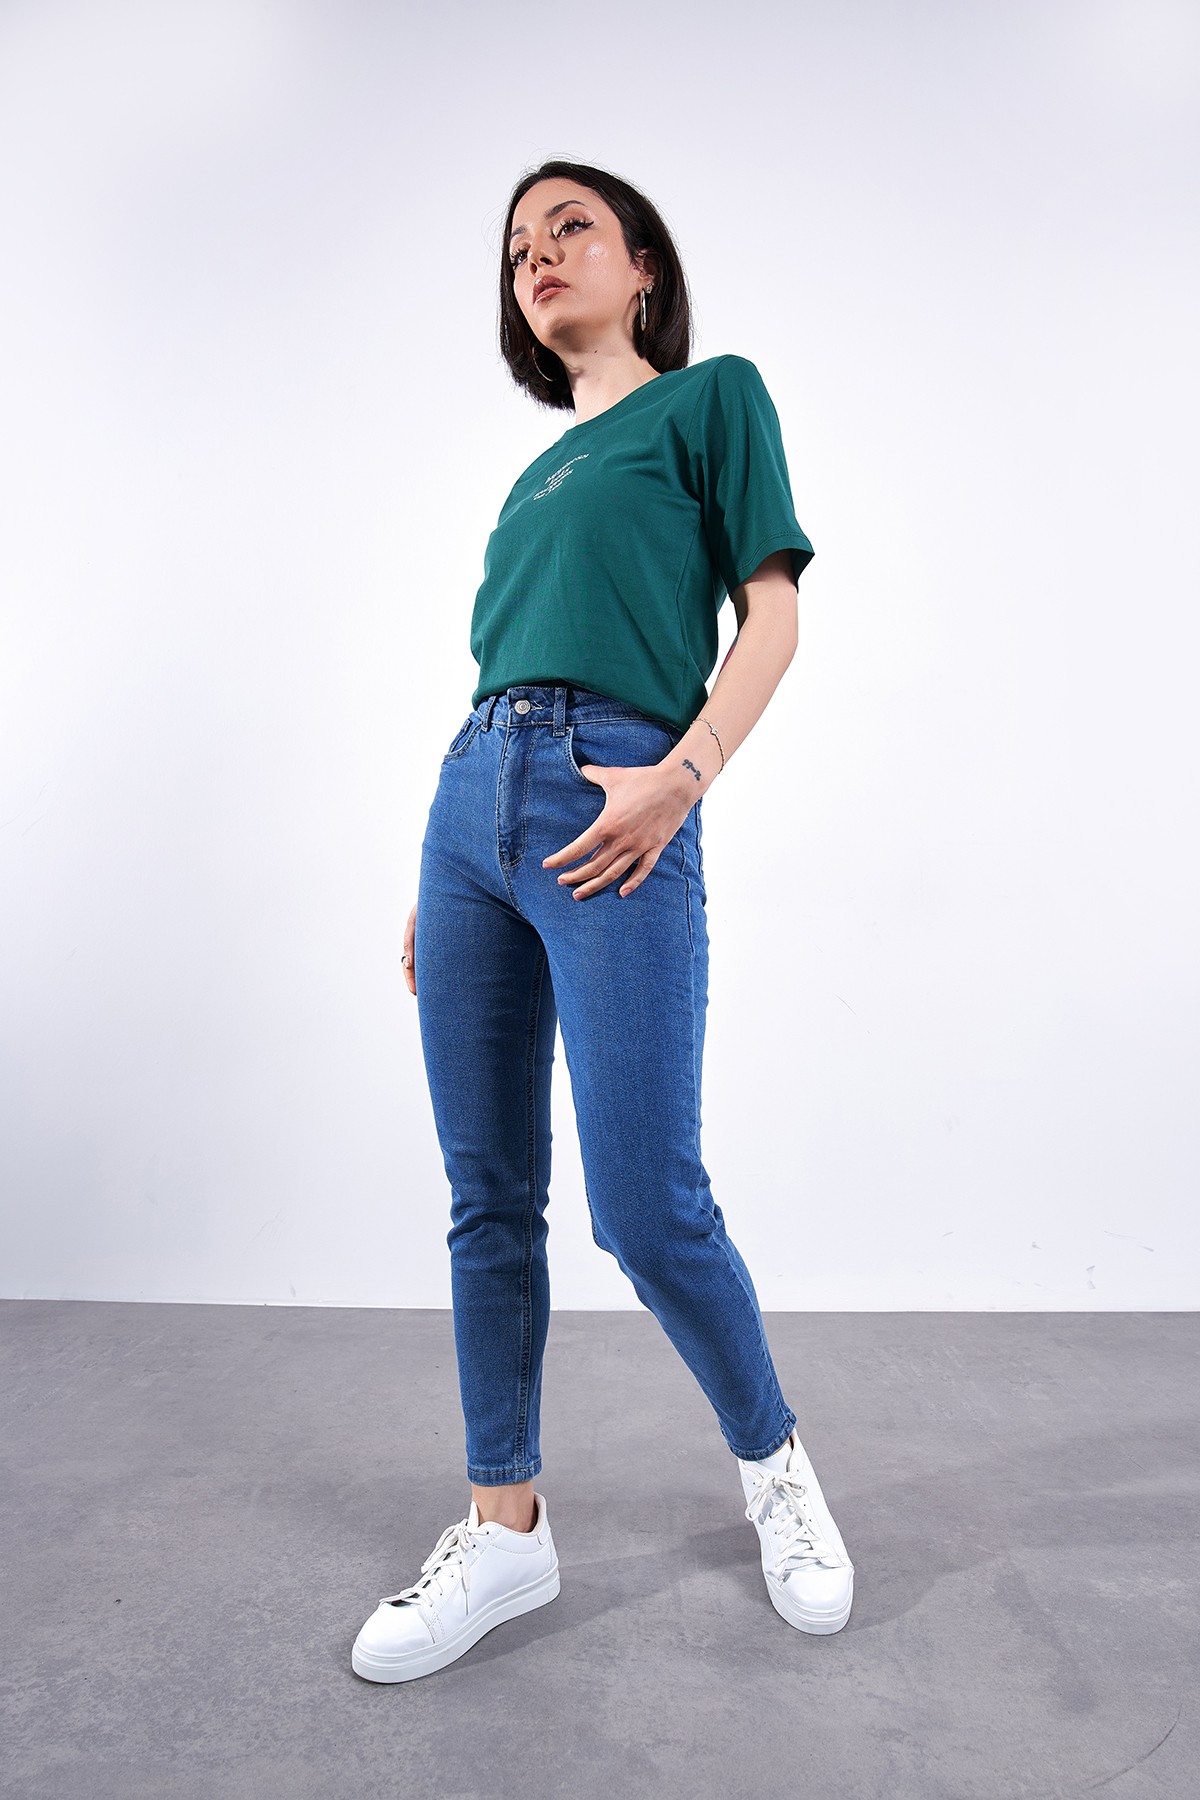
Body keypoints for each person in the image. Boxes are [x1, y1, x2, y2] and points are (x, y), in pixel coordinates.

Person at [351, 159, 854, 1685]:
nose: (538, 253)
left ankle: (775, 1468)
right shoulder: (530, 483)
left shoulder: (711, 401)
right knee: (487, 1196)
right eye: (518, 244)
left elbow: (773, 614)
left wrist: (683, 778)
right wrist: (443, 872)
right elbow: (499, 677)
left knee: (646, 1203)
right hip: (471, 812)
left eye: (571, 226)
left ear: (643, 268)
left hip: (618, 794)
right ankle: (504, 1528)